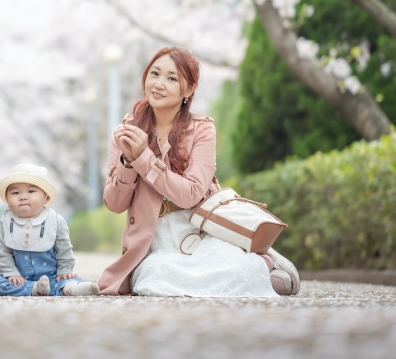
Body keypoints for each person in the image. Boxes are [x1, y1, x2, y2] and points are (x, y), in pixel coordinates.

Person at [98, 46, 300, 297]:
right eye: (155, 74)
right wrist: (128, 162)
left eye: (172, 78)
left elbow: (191, 194)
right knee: (155, 277)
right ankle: (260, 269)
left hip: (201, 228)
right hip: (154, 240)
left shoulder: (201, 130)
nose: (159, 84)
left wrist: (143, 158)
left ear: (189, 89)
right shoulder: (126, 133)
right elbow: (114, 203)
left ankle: (265, 262)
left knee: (241, 271)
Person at [0, 163, 100, 297]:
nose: (23, 196)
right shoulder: (5, 222)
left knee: (67, 279)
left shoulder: (55, 220)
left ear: (46, 198)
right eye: (15, 193)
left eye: (31, 191)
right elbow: (3, 253)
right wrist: (11, 273)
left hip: (52, 276)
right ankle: (35, 288)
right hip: (19, 278)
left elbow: (64, 249)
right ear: (7, 200)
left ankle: (70, 288)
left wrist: (64, 270)